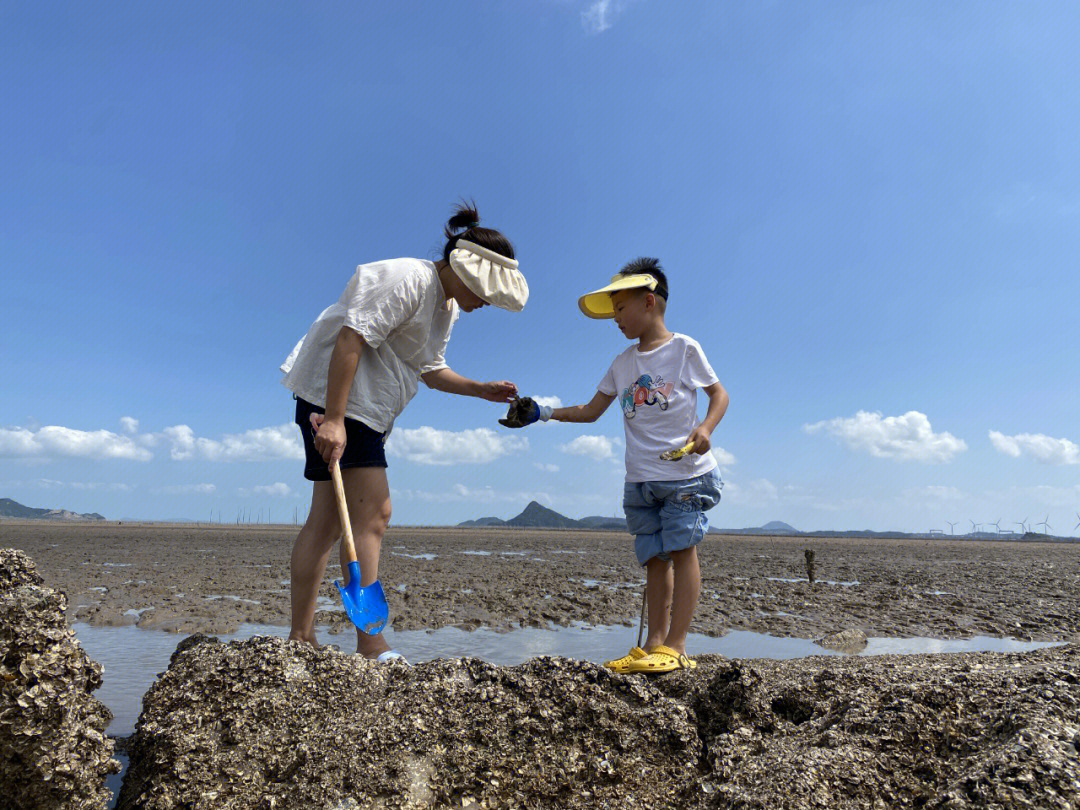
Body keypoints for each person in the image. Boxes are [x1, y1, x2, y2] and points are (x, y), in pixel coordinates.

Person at [280, 204, 528, 661]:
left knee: (328, 521)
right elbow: (351, 338)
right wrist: (333, 418)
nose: (487, 303)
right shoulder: (408, 278)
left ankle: (300, 637)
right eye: (487, 293)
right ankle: (370, 643)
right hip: (340, 401)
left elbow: (430, 369)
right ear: (466, 268)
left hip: (362, 408)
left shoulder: (446, 308)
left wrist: (481, 390)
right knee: (375, 514)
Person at [501, 257, 728, 673]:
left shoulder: (684, 349)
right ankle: (652, 645)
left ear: (649, 302)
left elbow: (720, 395)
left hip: (685, 475)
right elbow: (591, 411)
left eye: (620, 309)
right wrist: (542, 412)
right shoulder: (622, 363)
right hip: (640, 480)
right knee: (654, 559)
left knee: (682, 549)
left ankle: (676, 646)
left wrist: (706, 428)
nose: (616, 319)